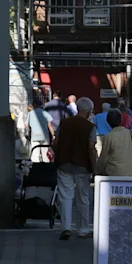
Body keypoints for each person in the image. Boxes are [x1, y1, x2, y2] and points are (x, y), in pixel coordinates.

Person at [54, 97, 97, 241]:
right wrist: (94, 167)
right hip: (83, 166)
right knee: (83, 197)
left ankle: (66, 227)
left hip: (64, 163)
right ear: (89, 111)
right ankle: (83, 229)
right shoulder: (90, 127)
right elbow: (91, 148)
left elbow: (56, 142)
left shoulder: (64, 123)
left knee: (65, 196)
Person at [96, 108, 132, 177]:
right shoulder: (131, 133)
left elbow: (103, 157)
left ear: (108, 121)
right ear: (120, 120)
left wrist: (98, 171)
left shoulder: (108, 137)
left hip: (113, 172)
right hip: (131, 171)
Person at [25, 94, 54, 162]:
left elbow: (26, 125)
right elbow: (50, 126)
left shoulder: (30, 113)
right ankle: (46, 168)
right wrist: (53, 135)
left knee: (35, 155)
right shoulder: (46, 113)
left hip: (34, 136)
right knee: (45, 154)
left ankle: (36, 168)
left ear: (34, 105)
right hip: (45, 136)